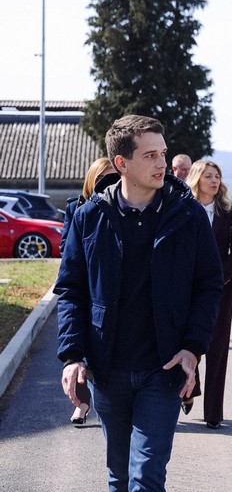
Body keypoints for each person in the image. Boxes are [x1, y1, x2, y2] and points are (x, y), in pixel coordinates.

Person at [55, 114, 223, 491]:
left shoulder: (189, 216)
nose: (162, 163)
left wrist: (193, 348)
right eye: (150, 156)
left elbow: (209, 285)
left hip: (164, 368)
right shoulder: (89, 217)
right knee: (118, 475)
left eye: (163, 153)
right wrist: (72, 355)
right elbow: (71, 290)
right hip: (107, 368)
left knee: (146, 476)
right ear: (122, 163)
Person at [184, 160, 232, 429]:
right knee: (189, 342)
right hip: (188, 290)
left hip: (221, 290)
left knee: (218, 351)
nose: (214, 181)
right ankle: (189, 389)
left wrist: (220, 278)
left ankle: (213, 413)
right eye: (208, 176)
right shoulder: (184, 209)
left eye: (217, 176)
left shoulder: (230, 210)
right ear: (197, 178)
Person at [60, 156, 116, 426]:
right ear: (92, 179)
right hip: (82, 282)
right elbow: (66, 247)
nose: (108, 181)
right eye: (102, 176)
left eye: (112, 175)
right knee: (77, 348)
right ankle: (81, 405)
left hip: (105, 287)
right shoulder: (77, 208)